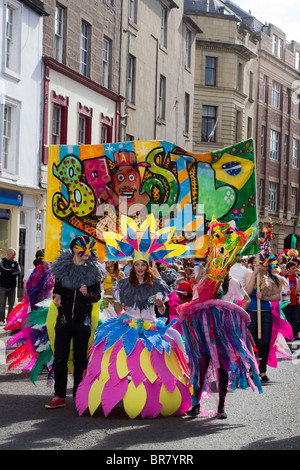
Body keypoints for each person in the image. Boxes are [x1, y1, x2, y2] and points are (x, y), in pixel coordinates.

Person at [75, 214, 191, 419]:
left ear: (147, 266)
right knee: (112, 354)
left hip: (150, 324)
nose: (140, 268)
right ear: (132, 265)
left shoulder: (157, 285)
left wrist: (160, 304)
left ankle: (159, 396)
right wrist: (120, 310)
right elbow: (120, 305)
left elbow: (162, 311)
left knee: (166, 349)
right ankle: (112, 394)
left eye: (143, 265)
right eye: (137, 265)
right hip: (127, 324)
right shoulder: (123, 284)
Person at [178, 217, 262, 420]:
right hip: (203, 332)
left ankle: (221, 407)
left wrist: (234, 315)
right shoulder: (204, 281)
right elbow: (195, 303)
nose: (212, 264)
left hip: (223, 332)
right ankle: (195, 404)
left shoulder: (232, 282)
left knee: (221, 368)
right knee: (199, 365)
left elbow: (246, 300)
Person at [45, 235, 104, 409]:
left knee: (80, 360)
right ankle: (59, 396)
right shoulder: (63, 268)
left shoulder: (93, 271)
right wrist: (56, 297)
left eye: (88, 251)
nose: (86, 254)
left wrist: (87, 293)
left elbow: (96, 296)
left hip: (82, 321)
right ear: (74, 250)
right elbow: (57, 289)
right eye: (82, 250)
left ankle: (79, 395)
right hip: (63, 320)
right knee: (60, 358)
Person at [245, 251, 287, 381]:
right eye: (260, 264)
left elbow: (277, 297)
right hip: (252, 312)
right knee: (252, 341)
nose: (262, 267)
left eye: (264, 265)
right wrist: (254, 274)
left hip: (266, 314)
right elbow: (247, 291)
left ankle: (263, 370)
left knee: (265, 341)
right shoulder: (249, 275)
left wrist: (263, 296)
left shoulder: (273, 277)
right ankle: (252, 369)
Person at [0, 248, 21, 325]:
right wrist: (12, 271)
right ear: (8, 254)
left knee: (11, 305)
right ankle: (1, 319)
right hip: (3, 286)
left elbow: (19, 272)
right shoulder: (2, 262)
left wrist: (9, 273)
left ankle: (9, 319)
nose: (14, 257)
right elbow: (3, 270)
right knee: (2, 304)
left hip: (12, 287)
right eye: (13, 255)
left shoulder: (15, 263)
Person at [282, 261, 300, 340]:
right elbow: (281, 290)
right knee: (288, 319)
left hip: (295, 302)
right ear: (288, 269)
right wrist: (286, 292)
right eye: (293, 268)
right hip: (287, 302)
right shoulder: (284, 278)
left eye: (295, 268)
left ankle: (294, 334)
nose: (294, 269)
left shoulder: (298, 278)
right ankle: (288, 335)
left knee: (295, 319)